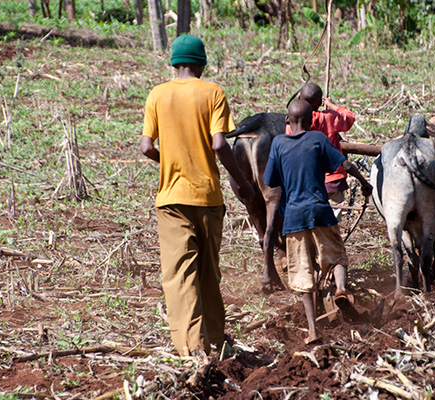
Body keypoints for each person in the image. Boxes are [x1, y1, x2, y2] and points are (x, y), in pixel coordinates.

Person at [140, 34, 254, 363]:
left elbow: (147, 147)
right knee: (208, 273)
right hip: (208, 197)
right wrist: (240, 179)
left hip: (171, 201)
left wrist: (171, 160)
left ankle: (192, 350)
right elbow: (220, 145)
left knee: (179, 276)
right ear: (201, 63)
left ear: (175, 63)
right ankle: (216, 343)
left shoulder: (157, 95)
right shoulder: (212, 93)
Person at [264, 99, 372, 344]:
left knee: (303, 276)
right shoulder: (318, 139)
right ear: (311, 119)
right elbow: (344, 164)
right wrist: (364, 183)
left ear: (287, 121)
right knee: (336, 256)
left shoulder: (279, 144)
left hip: (293, 217)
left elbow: (270, 180)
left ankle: (312, 331)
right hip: (320, 210)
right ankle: (341, 289)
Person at [287, 82, 356, 216]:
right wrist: (331, 105)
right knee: (334, 222)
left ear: (300, 99)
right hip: (332, 180)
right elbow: (349, 118)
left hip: (306, 181)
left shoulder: (292, 124)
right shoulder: (329, 117)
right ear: (320, 102)